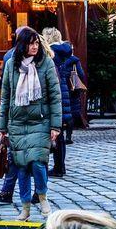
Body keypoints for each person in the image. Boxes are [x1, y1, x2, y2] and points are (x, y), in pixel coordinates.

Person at [0, 27, 63, 221]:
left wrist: (55, 125)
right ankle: (25, 206)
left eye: (37, 43)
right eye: (31, 43)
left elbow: (55, 96)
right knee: (21, 167)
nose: (35, 47)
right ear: (22, 44)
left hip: (40, 122)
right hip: (17, 123)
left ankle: (42, 196)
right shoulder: (11, 64)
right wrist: (2, 126)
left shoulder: (46, 64)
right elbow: (5, 96)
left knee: (37, 162)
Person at [46, 27, 84, 178]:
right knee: (60, 132)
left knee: (54, 130)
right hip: (68, 94)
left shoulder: (50, 56)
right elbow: (81, 76)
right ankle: (59, 166)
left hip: (56, 95)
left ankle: (55, 166)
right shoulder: (70, 56)